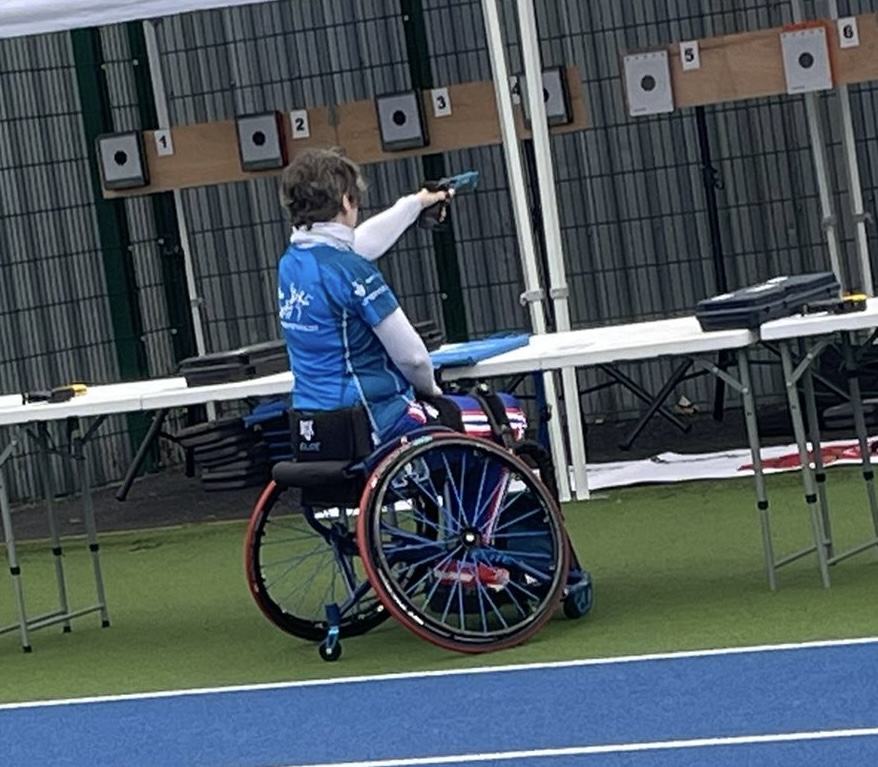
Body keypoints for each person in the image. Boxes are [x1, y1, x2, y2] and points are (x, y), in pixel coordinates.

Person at [276, 147, 452, 448]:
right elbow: (413, 359)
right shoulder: (352, 271)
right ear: (346, 201)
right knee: (502, 416)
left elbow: (359, 242)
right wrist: (433, 391)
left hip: (316, 424)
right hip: (376, 420)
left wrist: (416, 203)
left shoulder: (292, 263)